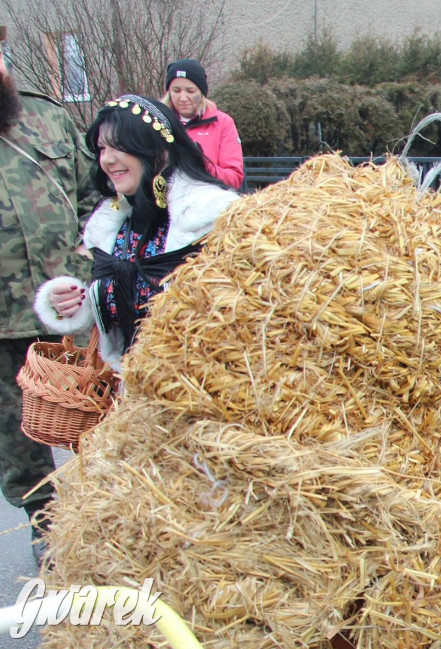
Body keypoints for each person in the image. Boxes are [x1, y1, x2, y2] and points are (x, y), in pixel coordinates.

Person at [34, 95, 239, 372]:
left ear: (159, 151)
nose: (107, 159)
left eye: (119, 146)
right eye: (102, 148)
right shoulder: (112, 224)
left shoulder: (213, 218)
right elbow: (116, 305)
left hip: (204, 393)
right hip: (131, 398)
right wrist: (73, 301)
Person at [0, 24, 97, 565]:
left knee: (101, 426)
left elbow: (96, 203)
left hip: (74, 317)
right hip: (2, 328)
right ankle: (48, 538)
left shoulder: (48, 117)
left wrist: (82, 272)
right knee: (20, 446)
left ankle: (111, 525)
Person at [161, 58, 244, 189]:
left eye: (190, 91)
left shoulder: (223, 123)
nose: (183, 98)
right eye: (176, 91)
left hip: (207, 202)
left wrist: (202, 163)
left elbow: (234, 179)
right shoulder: (157, 122)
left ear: (201, 92)